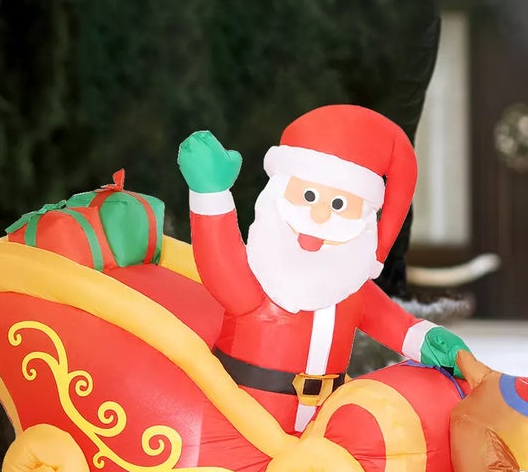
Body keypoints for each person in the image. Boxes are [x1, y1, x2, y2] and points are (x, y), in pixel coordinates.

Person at [176, 104, 469, 435]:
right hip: (245, 421)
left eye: (339, 205)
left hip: (326, 426)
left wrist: (426, 338)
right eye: (309, 196)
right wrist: (210, 194)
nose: (318, 216)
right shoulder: (261, 277)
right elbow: (220, 265)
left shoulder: (348, 284)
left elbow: (391, 322)